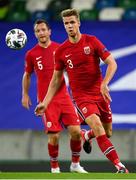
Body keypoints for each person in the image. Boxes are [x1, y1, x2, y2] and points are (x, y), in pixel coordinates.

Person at [34, 9, 129, 173]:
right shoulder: (62, 51)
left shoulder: (91, 41)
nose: (69, 26)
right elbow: (56, 80)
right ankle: (119, 166)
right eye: (66, 23)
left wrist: (105, 83)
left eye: (72, 22)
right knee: (99, 127)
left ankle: (87, 136)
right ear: (64, 26)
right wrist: (45, 102)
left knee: (108, 132)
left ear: (78, 23)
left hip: (100, 94)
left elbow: (112, 63)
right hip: (81, 97)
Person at [21, 19, 87, 173]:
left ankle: (75, 165)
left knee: (77, 132)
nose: (41, 33)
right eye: (38, 31)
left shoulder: (61, 49)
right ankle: (54, 167)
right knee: (54, 136)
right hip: (46, 100)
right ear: (35, 34)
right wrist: (24, 94)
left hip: (64, 97)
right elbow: (27, 75)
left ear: (49, 31)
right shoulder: (31, 54)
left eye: (43, 29)